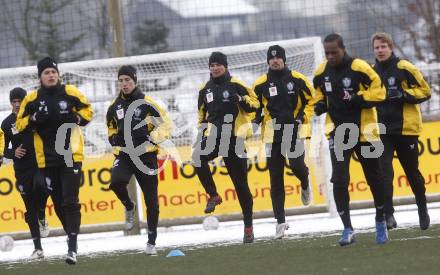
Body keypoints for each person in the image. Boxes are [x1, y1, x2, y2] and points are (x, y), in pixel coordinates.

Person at [16, 57, 94, 264]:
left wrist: (77, 118)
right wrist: (33, 120)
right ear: (40, 77)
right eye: (46, 73)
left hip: (71, 155)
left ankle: (72, 248)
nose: (51, 75)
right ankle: (72, 238)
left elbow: (88, 111)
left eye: (53, 72)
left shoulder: (70, 92)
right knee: (58, 203)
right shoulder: (32, 98)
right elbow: (19, 124)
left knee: (70, 200)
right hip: (47, 160)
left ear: (58, 74)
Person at [313, 33, 388, 246]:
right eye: (327, 53)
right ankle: (347, 228)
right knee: (338, 179)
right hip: (339, 133)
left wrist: (358, 98)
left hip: (365, 132)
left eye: (333, 52)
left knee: (374, 177)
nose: (330, 56)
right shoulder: (322, 71)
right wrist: (319, 105)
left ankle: (380, 220)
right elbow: (318, 93)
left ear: (343, 49)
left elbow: (379, 92)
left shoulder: (360, 67)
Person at [192, 52, 259, 243]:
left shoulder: (237, 84)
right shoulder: (205, 89)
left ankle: (248, 227)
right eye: (212, 65)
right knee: (197, 157)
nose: (215, 68)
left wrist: (242, 100)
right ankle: (213, 195)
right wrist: (201, 133)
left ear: (225, 66)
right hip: (213, 137)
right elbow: (201, 115)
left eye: (218, 64)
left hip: (234, 140)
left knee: (241, 187)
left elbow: (256, 104)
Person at [106, 65, 172, 256]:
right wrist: (113, 138)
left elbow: (166, 125)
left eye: (127, 80)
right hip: (125, 155)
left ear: (134, 81)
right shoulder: (114, 106)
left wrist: (153, 137)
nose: (124, 84)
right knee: (116, 182)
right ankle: (129, 206)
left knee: (152, 201)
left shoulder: (147, 103)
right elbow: (110, 128)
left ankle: (151, 242)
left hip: (146, 155)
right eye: (121, 80)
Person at [252, 45, 315, 239]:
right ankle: (280, 222)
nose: (275, 61)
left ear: (284, 59)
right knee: (275, 178)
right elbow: (255, 107)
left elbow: (311, 101)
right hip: (272, 135)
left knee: (297, 165)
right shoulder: (260, 83)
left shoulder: (298, 79)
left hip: (294, 130)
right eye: (271, 59)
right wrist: (254, 121)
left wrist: (301, 118)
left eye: (278, 58)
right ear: (268, 61)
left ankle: (305, 182)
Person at [371, 32, 431, 230]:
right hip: (382, 131)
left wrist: (404, 94)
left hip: (406, 129)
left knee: (412, 172)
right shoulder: (371, 72)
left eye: (383, 46)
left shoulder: (405, 67)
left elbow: (425, 91)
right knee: (383, 173)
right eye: (376, 47)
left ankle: (422, 208)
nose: (380, 50)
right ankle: (389, 215)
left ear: (391, 47)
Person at [1, 88, 52, 259]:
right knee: (29, 208)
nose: (16, 104)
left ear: (25, 101)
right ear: (10, 103)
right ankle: (38, 249)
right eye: (13, 101)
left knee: (42, 187)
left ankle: (42, 215)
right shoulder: (6, 123)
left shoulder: (34, 117)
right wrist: (12, 153)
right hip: (21, 170)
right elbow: (2, 150)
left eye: (19, 101)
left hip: (39, 163)